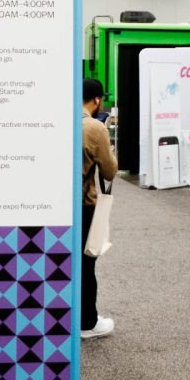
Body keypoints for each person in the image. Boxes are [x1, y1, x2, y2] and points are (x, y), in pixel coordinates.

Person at [81, 78, 117, 340]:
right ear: (97, 100)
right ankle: (87, 323)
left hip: (56, 206)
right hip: (84, 205)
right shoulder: (94, 128)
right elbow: (109, 170)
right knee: (86, 263)